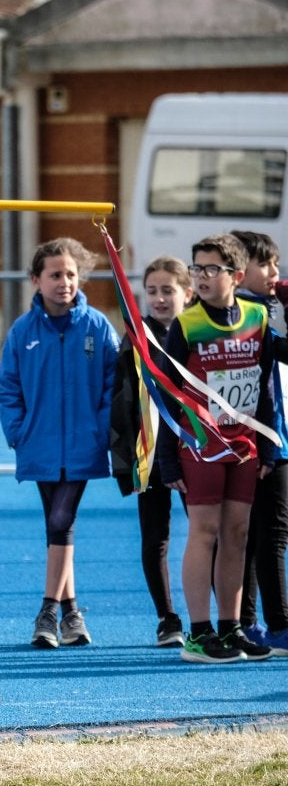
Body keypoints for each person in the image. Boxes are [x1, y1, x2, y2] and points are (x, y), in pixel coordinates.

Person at [155, 233, 276, 663]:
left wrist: (268, 445)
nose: (202, 277)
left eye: (212, 269)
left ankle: (231, 627)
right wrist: (167, 458)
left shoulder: (258, 317)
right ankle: (199, 633)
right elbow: (167, 396)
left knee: (237, 535)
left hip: (244, 446)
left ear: (237, 276)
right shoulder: (186, 326)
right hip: (200, 445)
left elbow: (265, 390)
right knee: (204, 532)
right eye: (197, 268)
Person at [0, 237, 119, 650]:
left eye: (70, 274)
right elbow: (7, 387)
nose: (64, 282)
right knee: (57, 524)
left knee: (61, 520)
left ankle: (47, 611)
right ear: (36, 280)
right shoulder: (23, 331)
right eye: (54, 275)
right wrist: (19, 432)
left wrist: (100, 431)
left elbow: (112, 385)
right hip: (40, 445)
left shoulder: (97, 326)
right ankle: (71, 615)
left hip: (83, 445)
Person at [109, 255, 194, 647]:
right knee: (155, 536)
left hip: (194, 449)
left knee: (208, 531)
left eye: (169, 291)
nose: (159, 299)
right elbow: (123, 398)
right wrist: (124, 457)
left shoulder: (197, 331)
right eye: (153, 291)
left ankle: (212, 617)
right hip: (151, 452)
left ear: (187, 293)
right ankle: (168, 619)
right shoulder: (135, 336)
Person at [229, 230, 288, 656]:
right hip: (246, 441)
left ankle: (259, 623)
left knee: (265, 533)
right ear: (239, 271)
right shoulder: (242, 316)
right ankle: (255, 623)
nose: (275, 273)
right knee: (251, 535)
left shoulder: (265, 310)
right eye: (266, 264)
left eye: (277, 263)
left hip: (272, 439)